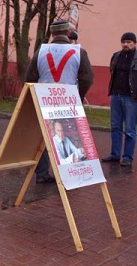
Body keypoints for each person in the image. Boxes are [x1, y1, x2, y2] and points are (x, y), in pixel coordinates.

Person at [26, 19, 94, 184]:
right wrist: (78, 94)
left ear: (51, 34)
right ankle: (68, 174)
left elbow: (29, 78)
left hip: (44, 99)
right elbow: (87, 78)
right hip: (67, 101)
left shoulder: (41, 51)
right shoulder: (79, 52)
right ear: (68, 33)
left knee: (43, 137)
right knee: (67, 135)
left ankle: (42, 174)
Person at [102, 32, 137, 167]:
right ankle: (115, 154)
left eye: (129, 42)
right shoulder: (116, 56)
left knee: (130, 129)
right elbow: (113, 72)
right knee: (115, 127)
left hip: (131, 98)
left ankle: (128, 157)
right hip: (116, 96)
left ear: (135, 43)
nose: (126, 44)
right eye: (123, 42)